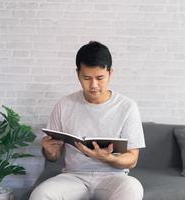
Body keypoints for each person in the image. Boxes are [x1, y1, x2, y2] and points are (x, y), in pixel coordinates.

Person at [29, 41, 146, 200]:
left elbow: (132, 159)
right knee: (40, 194)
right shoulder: (64, 105)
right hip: (73, 177)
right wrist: (49, 151)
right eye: (86, 78)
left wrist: (108, 158)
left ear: (110, 73)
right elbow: (54, 156)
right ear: (78, 74)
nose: (93, 85)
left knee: (133, 188)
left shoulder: (127, 107)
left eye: (100, 78)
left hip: (113, 177)